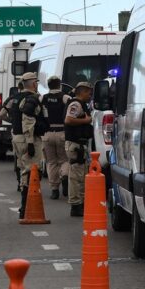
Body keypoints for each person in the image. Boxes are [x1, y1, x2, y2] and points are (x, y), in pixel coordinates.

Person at [16, 72, 45, 218]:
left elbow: (4, 113)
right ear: (33, 84)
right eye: (36, 82)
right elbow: (28, 120)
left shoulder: (15, 97)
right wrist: (30, 142)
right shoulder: (32, 99)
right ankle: (26, 207)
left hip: (18, 138)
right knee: (31, 171)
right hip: (30, 138)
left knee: (24, 170)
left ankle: (25, 206)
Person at [64, 81, 94, 217]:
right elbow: (69, 120)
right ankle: (75, 205)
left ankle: (80, 204)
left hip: (80, 145)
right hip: (75, 145)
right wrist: (86, 121)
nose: (90, 95)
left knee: (81, 176)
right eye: (88, 92)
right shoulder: (75, 104)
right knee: (76, 177)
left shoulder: (82, 104)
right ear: (81, 92)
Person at [41, 75, 71, 200]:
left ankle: (54, 189)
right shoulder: (65, 97)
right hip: (62, 132)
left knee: (51, 162)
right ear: (59, 85)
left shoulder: (43, 98)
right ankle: (64, 175)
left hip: (47, 134)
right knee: (64, 159)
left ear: (48, 86)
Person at [0, 81, 27, 189]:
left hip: (16, 131)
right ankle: (28, 182)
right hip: (30, 131)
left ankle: (20, 182)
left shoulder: (12, 99)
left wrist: (12, 120)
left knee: (18, 157)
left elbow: (1, 114)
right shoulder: (33, 97)